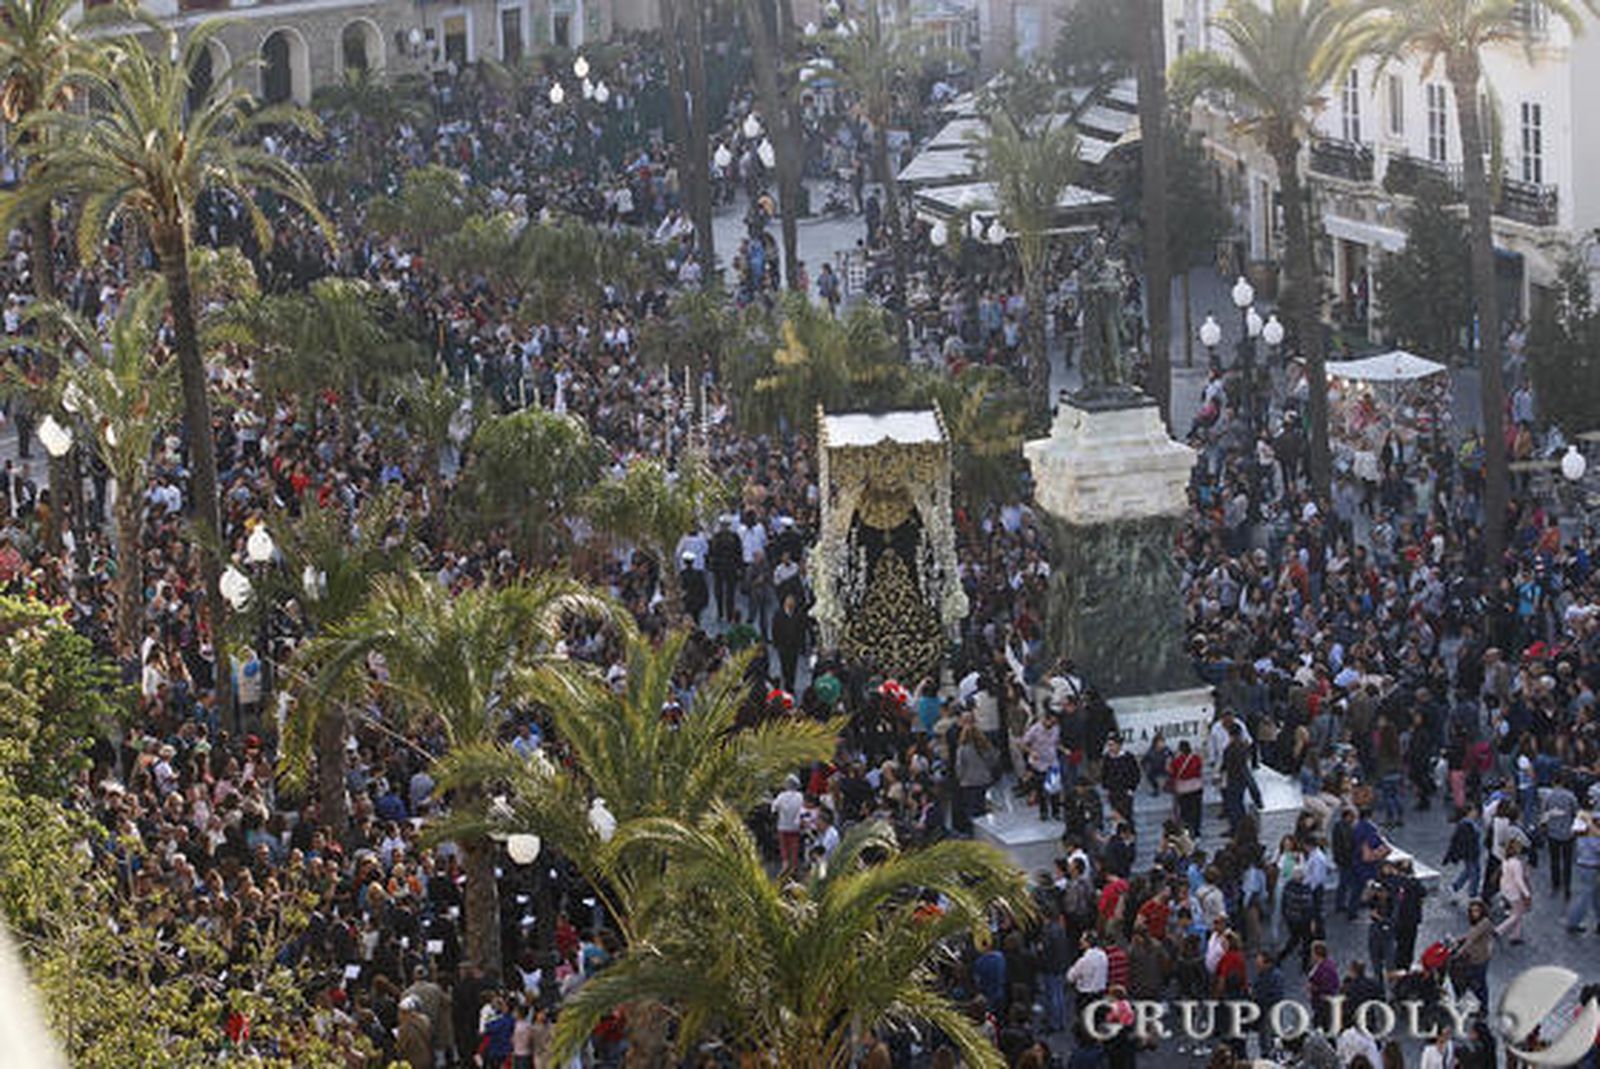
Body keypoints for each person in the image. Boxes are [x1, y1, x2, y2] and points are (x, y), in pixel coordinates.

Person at [1495, 839, 1532, 944]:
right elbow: (1519, 880)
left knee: (1517, 912)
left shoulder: (1505, 859)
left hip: (1505, 889)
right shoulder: (1516, 863)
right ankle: (1499, 930)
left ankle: (1516, 935)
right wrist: (1527, 894)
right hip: (1514, 892)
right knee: (1516, 915)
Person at [1169, 740, 1204, 838]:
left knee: (1185, 813)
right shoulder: (1196, 758)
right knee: (1196, 812)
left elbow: (1173, 773)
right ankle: (1197, 832)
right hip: (1196, 788)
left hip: (1183, 790)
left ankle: (1188, 833)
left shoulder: (1177, 761)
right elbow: (1199, 770)